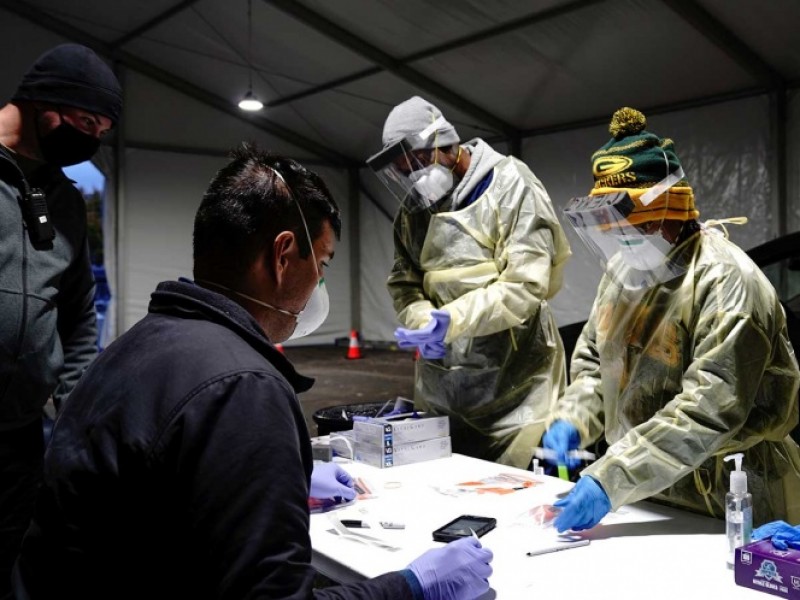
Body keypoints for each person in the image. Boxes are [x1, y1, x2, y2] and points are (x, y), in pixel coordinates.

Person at [12, 144, 493, 600]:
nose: (319, 284)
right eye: (322, 264)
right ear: (283, 256)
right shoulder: (243, 386)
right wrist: (414, 587)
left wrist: (275, 481)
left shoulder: (135, 345)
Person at [542, 107, 800, 533]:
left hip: (729, 488)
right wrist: (573, 418)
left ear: (671, 208)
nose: (622, 237)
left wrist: (611, 479)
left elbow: (709, 409)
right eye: (612, 226)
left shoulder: (726, 282)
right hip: (643, 486)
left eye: (633, 223)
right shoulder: (625, 273)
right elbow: (596, 360)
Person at [367, 96, 571, 468]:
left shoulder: (510, 185)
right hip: (444, 386)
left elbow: (525, 284)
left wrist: (451, 320)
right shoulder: (415, 209)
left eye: (417, 164)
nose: (414, 179)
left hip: (518, 383)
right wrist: (423, 321)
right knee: (450, 486)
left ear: (445, 144)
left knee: (516, 490)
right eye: (404, 171)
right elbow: (404, 282)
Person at [0, 43, 121, 596]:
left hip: (19, 440)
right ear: (45, 102)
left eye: (103, 131)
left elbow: (77, 316)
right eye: (88, 122)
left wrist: (77, 415)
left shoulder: (63, 199)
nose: (92, 139)